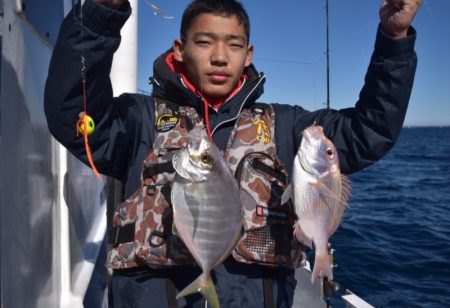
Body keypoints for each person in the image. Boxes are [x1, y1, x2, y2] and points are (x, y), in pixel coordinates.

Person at [44, 0, 422, 307]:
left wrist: (394, 40)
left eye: (234, 44)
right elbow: (71, 115)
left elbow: (369, 132)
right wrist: (99, 15)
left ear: (248, 52)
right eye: (205, 42)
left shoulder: (286, 126)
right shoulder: (139, 119)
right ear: (180, 48)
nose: (220, 57)